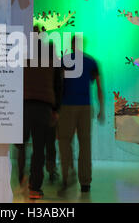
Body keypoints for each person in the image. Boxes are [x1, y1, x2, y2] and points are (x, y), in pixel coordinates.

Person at [18, 30, 63, 200]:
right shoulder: (50, 53)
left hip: (24, 104)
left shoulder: (22, 53)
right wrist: (56, 109)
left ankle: (20, 178)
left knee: (21, 145)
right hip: (44, 106)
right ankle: (34, 188)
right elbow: (58, 84)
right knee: (39, 149)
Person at [58, 35, 104, 193]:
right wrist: (101, 108)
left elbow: (59, 84)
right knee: (85, 145)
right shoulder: (91, 62)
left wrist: (55, 108)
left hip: (66, 106)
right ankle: (85, 182)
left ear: (71, 45)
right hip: (85, 106)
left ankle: (67, 175)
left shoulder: (64, 60)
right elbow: (99, 87)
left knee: (65, 142)